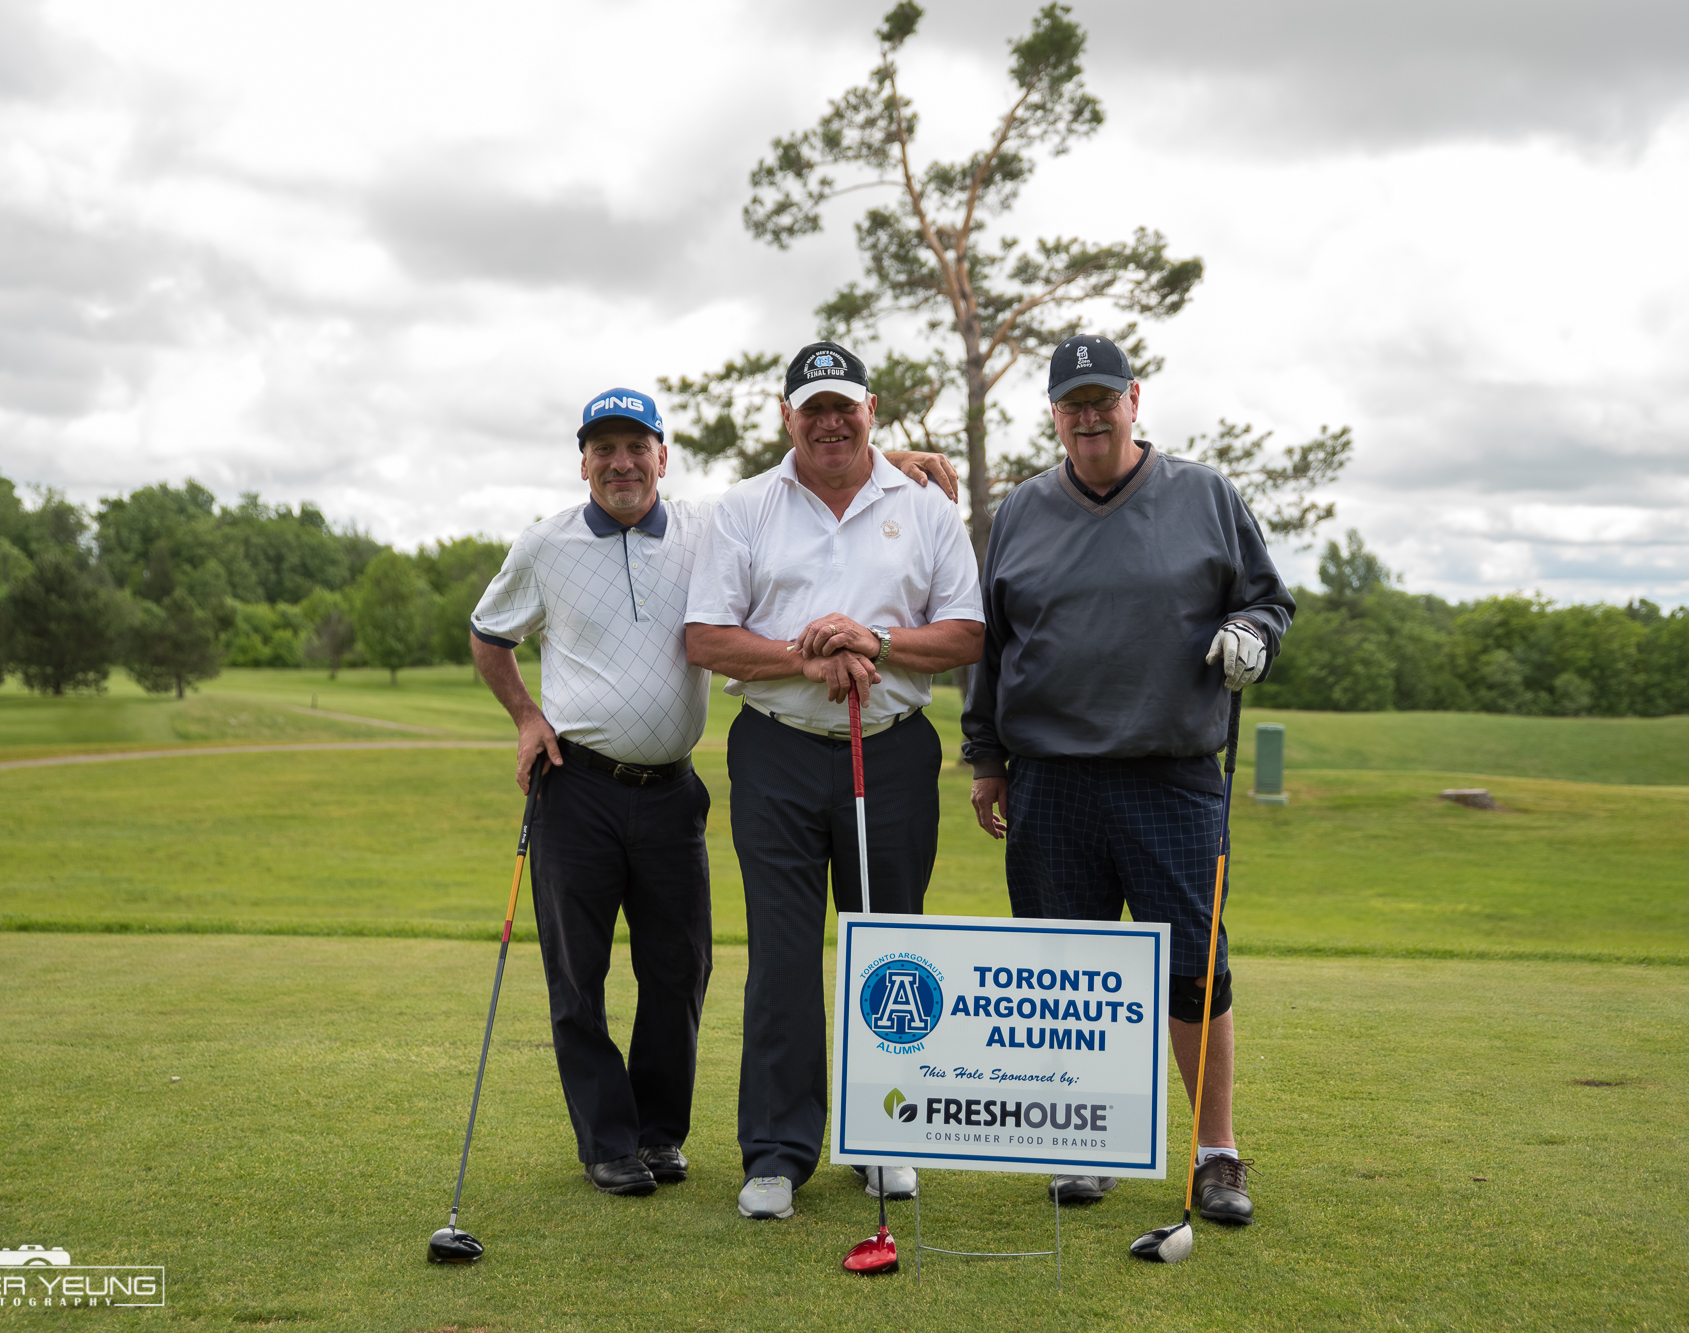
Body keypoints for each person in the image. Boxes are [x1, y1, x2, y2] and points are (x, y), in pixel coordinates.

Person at [471, 384, 958, 1199]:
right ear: (583, 462)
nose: (622, 464)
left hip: (672, 788)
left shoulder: (707, 525)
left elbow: (801, 480)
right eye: (604, 450)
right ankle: (608, 1139)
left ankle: (660, 1133)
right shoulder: (545, 543)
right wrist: (526, 717)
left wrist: (884, 462)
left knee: (680, 969)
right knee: (578, 975)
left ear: (662, 457)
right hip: (576, 785)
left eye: (637, 448)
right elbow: (489, 633)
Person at [961, 334, 1295, 1226]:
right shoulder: (1021, 510)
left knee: (1194, 968)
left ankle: (1216, 1154)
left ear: (1134, 399)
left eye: (1103, 399)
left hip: (1172, 774)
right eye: (1072, 403)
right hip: (1050, 779)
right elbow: (991, 645)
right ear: (1054, 414)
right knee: (1066, 976)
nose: (1089, 416)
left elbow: (1268, 598)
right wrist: (986, 756)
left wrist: (1253, 634)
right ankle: (1084, 1141)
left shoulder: (1206, 495)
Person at [683, 342, 984, 1221]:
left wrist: (876, 642)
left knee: (890, 949)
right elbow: (706, 637)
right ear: (787, 417)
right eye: (811, 408)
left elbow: (966, 631)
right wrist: (804, 656)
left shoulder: (925, 505)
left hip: (890, 751)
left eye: (842, 406)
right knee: (782, 954)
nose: (828, 423)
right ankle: (777, 1152)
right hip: (775, 750)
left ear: (870, 409)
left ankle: (887, 1134)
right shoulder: (744, 507)